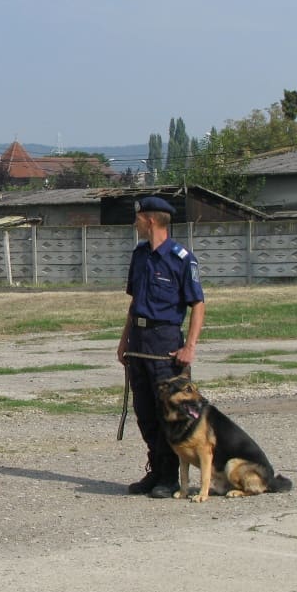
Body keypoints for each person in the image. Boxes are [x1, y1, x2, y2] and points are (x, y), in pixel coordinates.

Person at [116, 196, 205, 498]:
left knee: (168, 410)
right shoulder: (140, 255)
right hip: (139, 340)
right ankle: (155, 469)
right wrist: (124, 340)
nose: (135, 223)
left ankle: (169, 476)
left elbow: (198, 304)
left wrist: (190, 346)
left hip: (165, 341)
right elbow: (134, 303)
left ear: (150, 220)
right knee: (144, 411)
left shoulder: (182, 258)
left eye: (138, 218)